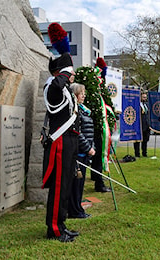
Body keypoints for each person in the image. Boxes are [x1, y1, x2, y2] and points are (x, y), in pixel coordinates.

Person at [42, 22, 80, 243]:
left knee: (65, 185)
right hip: (60, 142)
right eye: (69, 72)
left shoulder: (65, 88)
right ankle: (54, 229)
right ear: (61, 72)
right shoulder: (52, 87)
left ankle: (61, 224)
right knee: (58, 186)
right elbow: (57, 88)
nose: (72, 75)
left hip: (69, 141)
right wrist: (66, 71)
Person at [68, 83, 95, 219]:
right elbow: (78, 133)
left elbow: (89, 131)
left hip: (86, 151)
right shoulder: (74, 110)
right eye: (81, 93)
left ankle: (78, 207)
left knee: (80, 184)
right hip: (79, 151)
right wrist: (87, 148)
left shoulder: (84, 110)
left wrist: (92, 146)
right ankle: (75, 210)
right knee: (75, 185)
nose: (84, 95)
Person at [134, 91, 150, 157]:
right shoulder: (137, 104)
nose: (144, 98)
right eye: (143, 97)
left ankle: (144, 153)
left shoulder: (146, 104)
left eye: (145, 97)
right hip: (139, 125)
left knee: (145, 140)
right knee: (137, 140)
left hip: (146, 125)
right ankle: (137, 154)